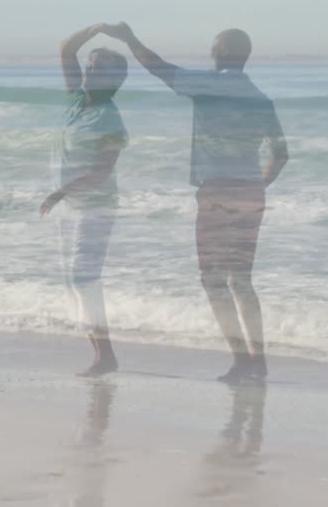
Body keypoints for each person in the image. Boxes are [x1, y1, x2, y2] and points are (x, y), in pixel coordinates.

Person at [102, 23, 288, 382]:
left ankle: (240, 360)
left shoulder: (209, 85)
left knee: (213, 279)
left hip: (217, 190)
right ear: (245, 57)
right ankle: (258, 360)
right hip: (250, 191)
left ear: (216, 54)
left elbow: (158, 68)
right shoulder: (261, 97)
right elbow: (281, 153)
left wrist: (129, 39)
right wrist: (255, 184)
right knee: (243, 279)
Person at [41, 24, 130, 377]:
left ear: (112, 80)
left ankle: (105, 356)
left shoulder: (109, 117)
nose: (88, 72)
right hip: (73, 206)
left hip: (96, 206)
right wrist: (96, 29)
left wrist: (60, 191)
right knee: (74, 278)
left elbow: (102, 170)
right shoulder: (77, 100)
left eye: (97, 69)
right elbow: (66, 49)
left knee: (83, 277)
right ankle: (99, 351)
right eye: (89, 66)